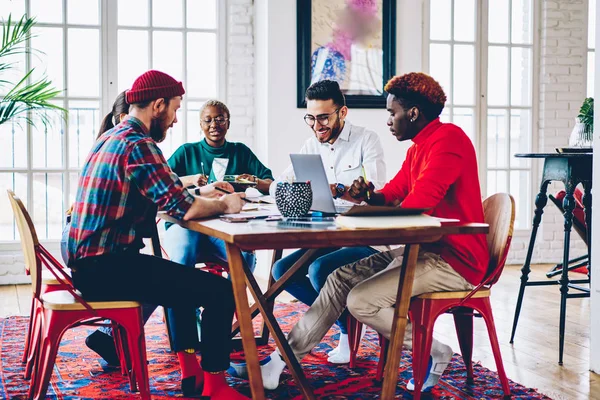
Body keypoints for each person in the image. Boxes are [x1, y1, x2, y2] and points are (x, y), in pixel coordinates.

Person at [254, 72, 488, 392]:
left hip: (455, 259)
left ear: (413, 113)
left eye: (392, 113)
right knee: (337, 279)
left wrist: (365, 210)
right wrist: (363, 196)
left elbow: (418, 204)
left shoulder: (449, 140)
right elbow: (392, 193)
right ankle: (283, 360)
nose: (389, 121)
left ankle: (437, 350)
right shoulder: (417, 148)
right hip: (423, 251)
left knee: (361, 300)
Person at [67, 70, 249, 399]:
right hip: (105, 268)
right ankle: (217, 387)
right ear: (159, 105)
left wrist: (203, 195)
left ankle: (193, 371)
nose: (176, 119)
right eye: (176, 109)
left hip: (89, 265)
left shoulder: (113, 137)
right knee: (223, 292)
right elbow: (186, 209)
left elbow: (162, 191)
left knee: (179, 279)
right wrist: (227, 204)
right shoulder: (138, 143)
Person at [268, 79, 386, 364]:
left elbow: (379, 190)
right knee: (281, 270)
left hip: (365, 237)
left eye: (323, 117)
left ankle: (345, 336)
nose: (316, 125)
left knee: (321, 269)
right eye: (310, 117)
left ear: (342, 113)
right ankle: (342, 320)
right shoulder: (311, 144)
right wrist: (295, 190)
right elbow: (278, 185)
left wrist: (344, 190)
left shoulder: (366, 139)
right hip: (327, 234)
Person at [163, 99, 274, 344]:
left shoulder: (240, 151)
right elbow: (164, 182)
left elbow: (269, 181)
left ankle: (222, 317)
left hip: (222, 228)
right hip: (185, 225)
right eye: (208, 120)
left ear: (228, 122)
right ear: (200, 124)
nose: (215, 124)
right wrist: (193, 180)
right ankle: (186, 330)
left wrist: (251, 182)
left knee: (245, 259)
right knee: (181, 262)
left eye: (220, 119)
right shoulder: (187, 152)